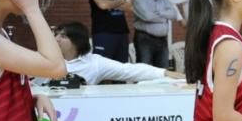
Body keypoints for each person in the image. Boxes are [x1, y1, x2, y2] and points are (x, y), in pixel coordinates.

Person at [47, 21, 181, 85]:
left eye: (63, 36)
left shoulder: (94, 63)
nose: (56, 39)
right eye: (56, 35)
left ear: (77, 41)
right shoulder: (43, 60)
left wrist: (165, 73)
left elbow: (129, 70)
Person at [132, 0, 180, 69]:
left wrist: (158, 13)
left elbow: (174, 14)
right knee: (144, 70)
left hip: (162, 40)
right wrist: (165, 17)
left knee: (162, 71)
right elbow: (147, 16)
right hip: (145, 39)